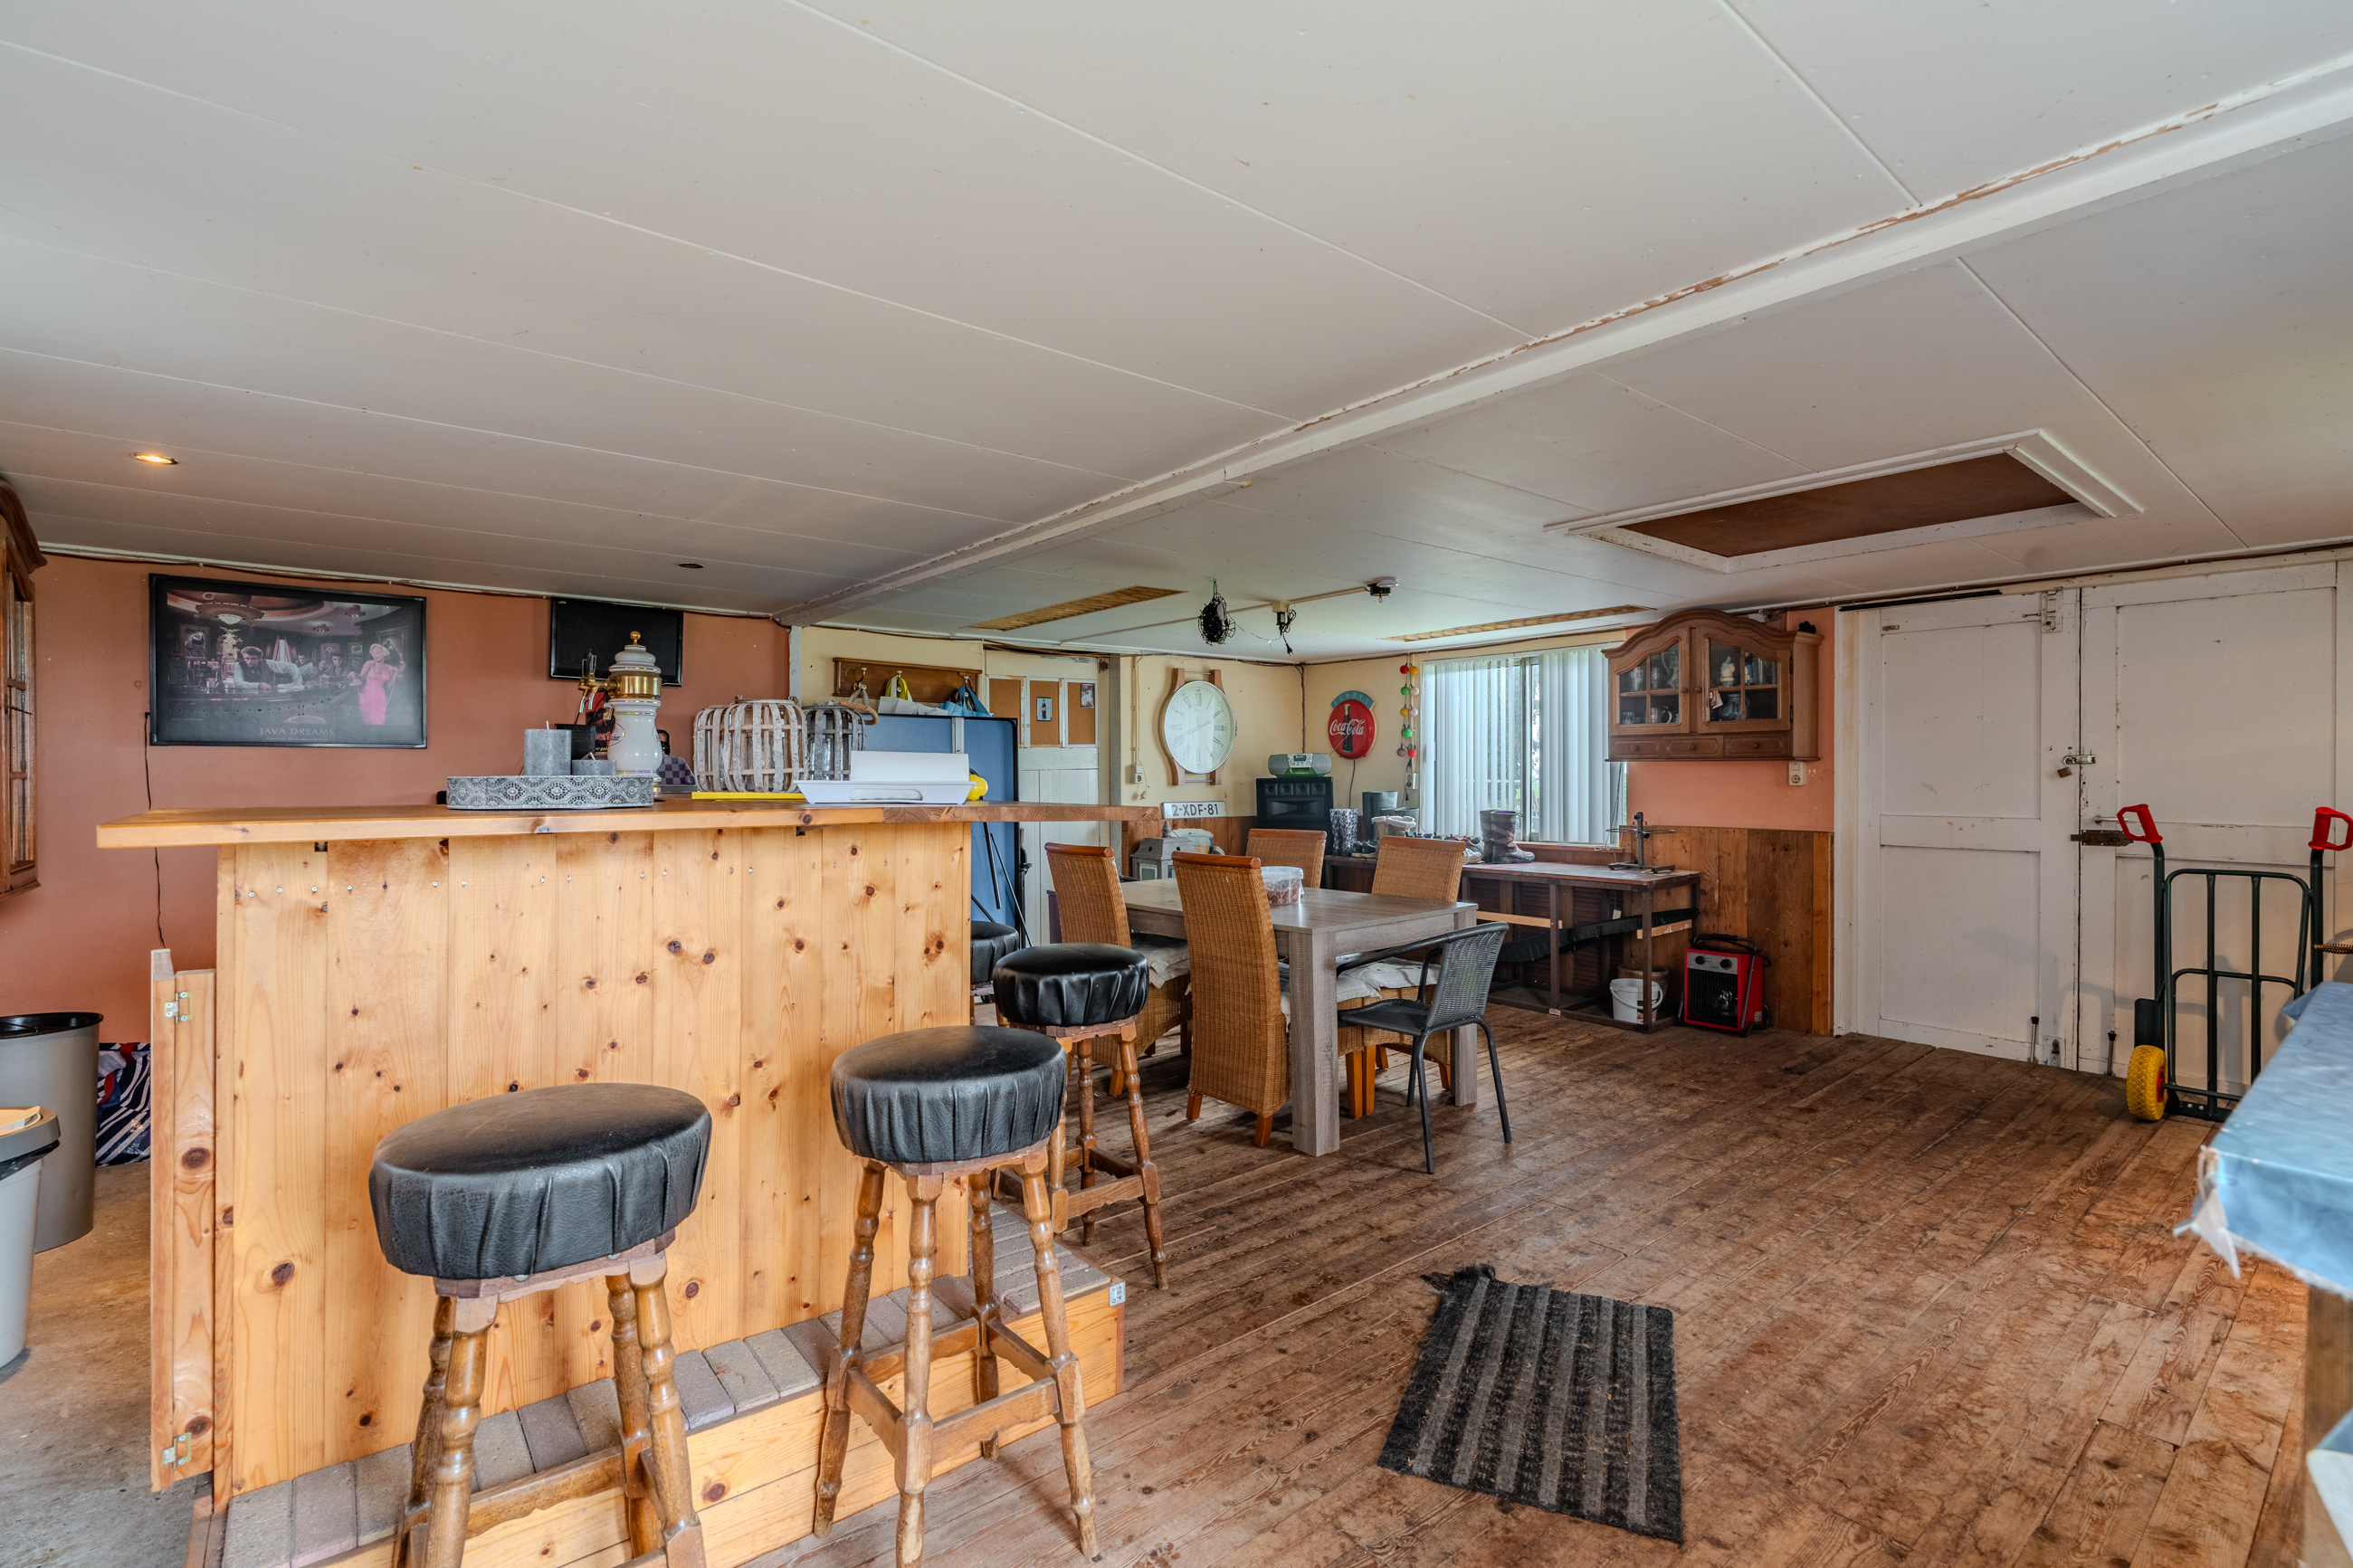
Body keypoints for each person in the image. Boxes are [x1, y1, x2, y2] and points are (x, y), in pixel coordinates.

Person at [357, 641, 405, 726]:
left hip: (380, 698)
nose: (374, 655)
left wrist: (396, 673)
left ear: (384, 653)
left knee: (379, 722)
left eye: (377, 653)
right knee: (366, 723)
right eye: (372, 653)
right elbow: (361, 677)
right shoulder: (369, 664)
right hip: (366, 697)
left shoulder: (390, 668)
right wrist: (354, 675)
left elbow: (389, 686)